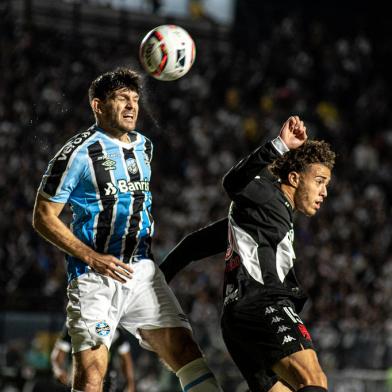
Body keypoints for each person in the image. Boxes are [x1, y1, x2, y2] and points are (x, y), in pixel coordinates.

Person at [32, 67, 222, 392]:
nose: (132, 106)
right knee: (92, 375)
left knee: (186, 352)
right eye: (122, 99)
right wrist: (92, 257)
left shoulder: (145, 147)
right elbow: (43, 216)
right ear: (98, 105)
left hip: (141, 272)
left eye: (135, 99)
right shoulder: (76, 153)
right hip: (94, 276)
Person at [159, 116, 335, 392]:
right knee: (314, 380)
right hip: (264, 304)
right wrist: (278, 145)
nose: (324, 192)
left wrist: (156, 280)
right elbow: (233, 181)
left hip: (237, 321)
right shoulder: (268, 195)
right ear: (294, 178)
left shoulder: (260, 216)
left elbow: (194, 245)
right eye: (320, 181)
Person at [51, 325, 136, 392]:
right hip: (80, 377)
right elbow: (58, 355)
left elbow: (126, 358)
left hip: (105, 379)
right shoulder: (74, 324)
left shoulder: (114, 328)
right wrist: (58, 370)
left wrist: (130, 382)